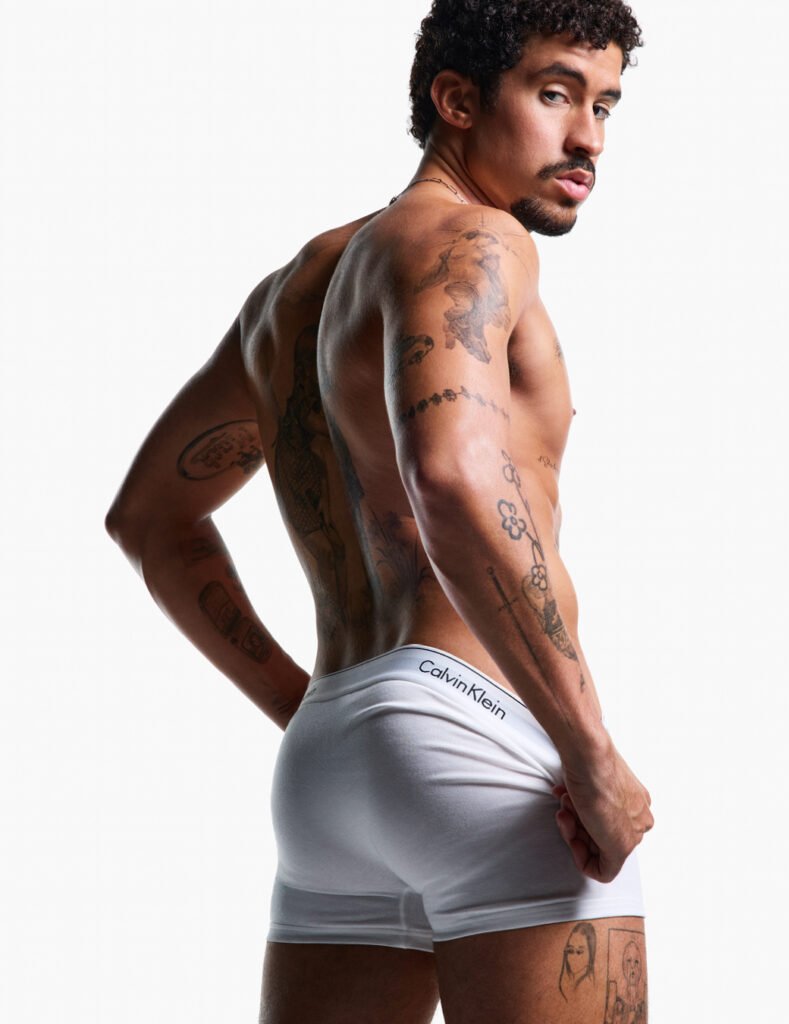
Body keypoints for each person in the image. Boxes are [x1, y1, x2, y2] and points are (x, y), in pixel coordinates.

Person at [106, 1, 654, 1020]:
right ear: (456, 100)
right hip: (483, 744)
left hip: (331, 757)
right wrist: (592, 754)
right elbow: (451, 474)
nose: (589, 137)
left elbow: (148, 518)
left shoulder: (288, 298)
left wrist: (308, 707)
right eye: (555, 94)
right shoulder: (478, 239)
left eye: (607, 105)